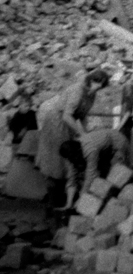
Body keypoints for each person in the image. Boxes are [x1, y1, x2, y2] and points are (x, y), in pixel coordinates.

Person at [34, 68, 110, 205]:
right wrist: (81, 134)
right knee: (57, 160)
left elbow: (81, 116)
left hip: (69, 125)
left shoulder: (92, 95)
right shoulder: (77, 90)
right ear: (91, 79)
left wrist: (87, 134)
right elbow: (66, 116)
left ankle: (65, 197)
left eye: (102, 85)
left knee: (69, 160)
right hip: (56, 123)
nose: (99, 86)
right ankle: (53, 199)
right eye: (97, 82)